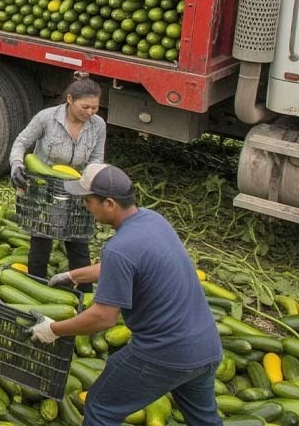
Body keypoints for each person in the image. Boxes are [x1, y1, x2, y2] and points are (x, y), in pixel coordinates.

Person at [30, 164, 223, 426]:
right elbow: (134, 264)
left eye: (88, 201)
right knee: (204, 421)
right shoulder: (154, 220)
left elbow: (104, 318)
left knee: (100, 408)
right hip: (206, 347)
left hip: (164, 352)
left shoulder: (119, 248)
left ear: (109, 204)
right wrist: (75, 275)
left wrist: (53, 330)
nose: (86, 206)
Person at [9, 73, 106, 285]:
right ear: (69, 99)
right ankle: (36, 285)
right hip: (44, 187)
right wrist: (16, 164)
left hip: (77, 187)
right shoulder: (47, 118)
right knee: (41, 240)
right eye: (85, 107)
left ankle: (82, 291)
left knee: (78, 242)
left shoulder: (98, 125)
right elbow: (21, 142)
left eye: (95, 108)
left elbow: (97, 158)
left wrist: (92, 178)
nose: (90, 112)